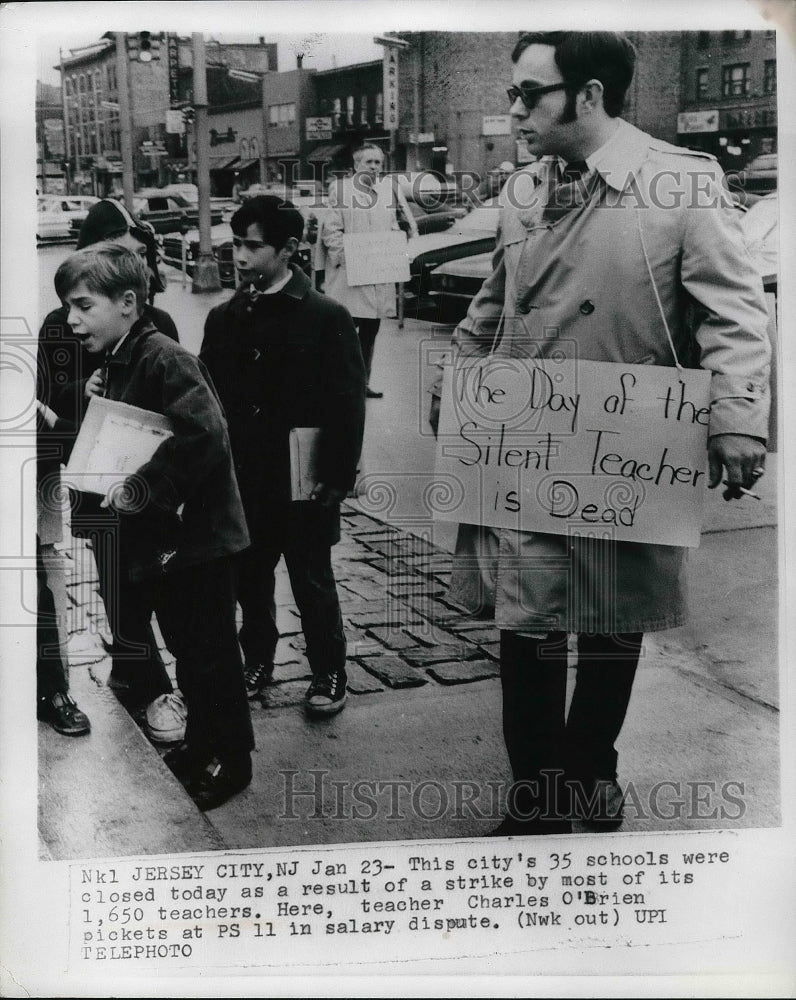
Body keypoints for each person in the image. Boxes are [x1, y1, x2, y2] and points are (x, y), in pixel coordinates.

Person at [430, 31, 771, 836]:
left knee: (614, 620)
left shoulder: (681, 184)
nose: (513, 108)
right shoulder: (521, 193)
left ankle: (592, 767)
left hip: (631, 435)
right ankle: (538, 792)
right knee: (530, 621)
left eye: (529, 93)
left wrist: (737, 420)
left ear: (588, 96)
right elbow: (493, 305)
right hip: (525, 433)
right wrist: (459, 376)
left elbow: (734, 313)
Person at [54, 243, 253, 810]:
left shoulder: (163, 357)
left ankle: (232, 760)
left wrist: (141, 489)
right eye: (68, 307)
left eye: (82, 306)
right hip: (170, 544)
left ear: (127, 302)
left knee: (210, 655)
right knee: (189, 651)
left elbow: (205, 435)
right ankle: (200, 745)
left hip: (201, 542)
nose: (72, 319)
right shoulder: (120, 357)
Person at [200, 196, 365, 717]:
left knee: (311, 576)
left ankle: (329, 669)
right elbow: (208, 391)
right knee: (251, 575)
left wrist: (337, 475)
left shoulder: (325, 315)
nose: (241, 256)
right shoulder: (225, 317)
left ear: (290, 249)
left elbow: (347, 403)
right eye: (236, 244)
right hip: (246, 477)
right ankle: (258, 660)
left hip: (303, 480)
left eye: (253, 246)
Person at [38, 199, 185, 745]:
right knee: (117, 589)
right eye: (119, 249)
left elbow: (179, 407)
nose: (133, 259)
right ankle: (146, 680)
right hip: (96, 484)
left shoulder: (159, 324)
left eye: (136, 251)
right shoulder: (61, 324)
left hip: (149, 485)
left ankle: (152, 675)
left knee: (159, 586)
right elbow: (47, 400)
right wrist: (85, 390)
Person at [321, 144, 400, 399]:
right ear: (356, 166)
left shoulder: (386, 191)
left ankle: (362, 383)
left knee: (370, 331)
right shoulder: (341, 190)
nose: (374, 167)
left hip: (376, 273)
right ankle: (338, 383)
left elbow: (392, 224)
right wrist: (346, 259)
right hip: (349, 275)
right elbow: (331, 230)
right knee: (343, 332)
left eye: (378, 163)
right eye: (369, 162)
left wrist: (395, 248)